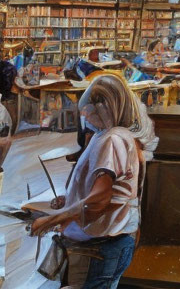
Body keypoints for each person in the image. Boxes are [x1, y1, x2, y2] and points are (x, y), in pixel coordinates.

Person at [31, 74, 157, 288]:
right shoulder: (120, 136)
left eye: (89, 111)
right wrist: (69, 199)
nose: (86, 118)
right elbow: (116, 188)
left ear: (106, 107)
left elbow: (100, 198)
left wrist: (52, 220)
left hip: (102, 244)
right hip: (116, 240)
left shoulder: (112, 139)